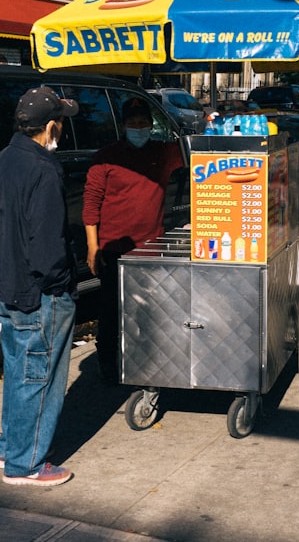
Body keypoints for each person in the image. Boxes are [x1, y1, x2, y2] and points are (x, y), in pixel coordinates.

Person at [0, 86, 79, 486]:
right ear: (50, 126)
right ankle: (25, 463)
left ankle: (11, 447)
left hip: (5, 285)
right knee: (38, 375)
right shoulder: (43, 169)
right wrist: (61, 285)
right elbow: (47, 242)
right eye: (61, 122)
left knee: (19, 371)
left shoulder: (1, 160)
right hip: (38, 291)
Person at [83, 97, 184, 384]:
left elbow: (196, 153)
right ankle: (109, 365)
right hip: (114, 248)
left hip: (150, 247)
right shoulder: (106, 157)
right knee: (112, 309)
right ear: (124, 125)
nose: (138, 128)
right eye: (133, 123)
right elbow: (91, 204)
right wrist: (93, 246)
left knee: (148, 310)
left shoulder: (163, 153)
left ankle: (144, 361)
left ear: (151, 125)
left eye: (143, 123)